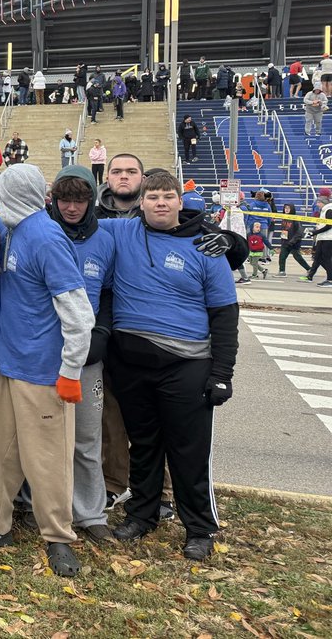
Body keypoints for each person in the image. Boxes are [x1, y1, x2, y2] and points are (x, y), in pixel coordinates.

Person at [101, 170, 239, 561]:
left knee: (188, 451)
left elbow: (225, 315)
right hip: (131, 365)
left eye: (168, 196)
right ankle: (142, 516)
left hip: (187, 365)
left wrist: (222, 374)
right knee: (143, 447)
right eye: (153, 197)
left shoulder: (208, 248)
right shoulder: (120, 233)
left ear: (181, 201)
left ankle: (199, 528)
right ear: (140, 203)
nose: (160, 203)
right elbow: (72, 221)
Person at [0, 164, 95, 577]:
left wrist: (71, 371)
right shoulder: (15, 228)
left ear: (14, 195)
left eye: (0, 194)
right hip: (11, 364)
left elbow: (78, 313)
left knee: (48, 460)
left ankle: (58, 538)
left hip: (44, 372)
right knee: (0, 452)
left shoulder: (46, 237)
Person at [47, 167, 117, 544]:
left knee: (86, 437)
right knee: (41, 434)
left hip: (89, 354)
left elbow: (107, 292)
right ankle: (33, 501)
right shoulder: (42, 234)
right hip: (45, 351)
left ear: (91, 201)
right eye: (64, 199)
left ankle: (90, 512)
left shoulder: (105, 240)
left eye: (80, 200)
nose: (72, 207)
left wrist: (102, 333)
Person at [307, 189, 332, 286]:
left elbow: (329, 225)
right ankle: (329, 276)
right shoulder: (324, 210)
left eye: (318, 202)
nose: (317, 204)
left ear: (323, 202)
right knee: (317, 257)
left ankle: (330, 279)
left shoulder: (329, 209)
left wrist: (315, 232)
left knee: (326, 258)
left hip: (328, 238)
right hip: (322, 237)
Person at [276, 203, 309, 277]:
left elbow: (299, 232)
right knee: (282, 256)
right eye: (285, 208)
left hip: (294, 242)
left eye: (288, 208)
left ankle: (309, 269)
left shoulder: (295, 219)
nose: (286, 209)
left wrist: (292, 241)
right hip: (285, 241)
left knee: (297, 257)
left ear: (292, 209)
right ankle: (282, 271)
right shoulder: (284, 218)